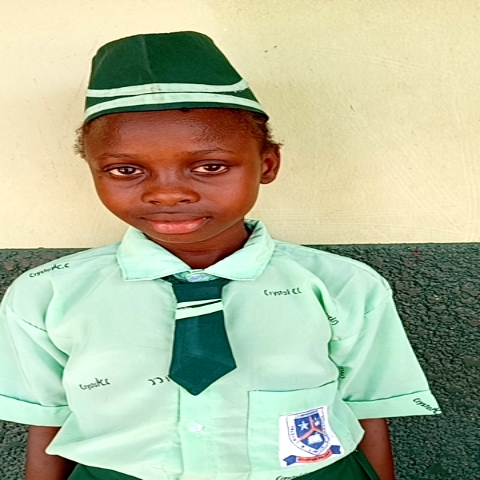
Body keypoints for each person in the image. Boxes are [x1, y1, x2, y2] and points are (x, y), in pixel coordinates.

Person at [0, 32, 440, 480]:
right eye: (125, 170)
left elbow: (368, 411)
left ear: (267, 164)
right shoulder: (47, 294)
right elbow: (47, 423)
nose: (168, 193)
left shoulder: (342, 285)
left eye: (210, 166)